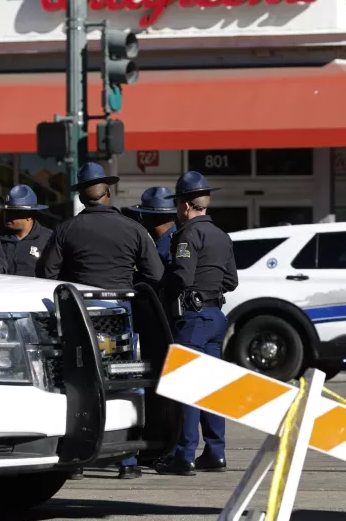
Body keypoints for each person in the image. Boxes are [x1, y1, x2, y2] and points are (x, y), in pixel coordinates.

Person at [37, 162, 164, 481]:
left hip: (81, 317)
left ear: (82, 196)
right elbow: (157, 275)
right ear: (108, 192)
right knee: (126, 380)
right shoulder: (133, 229)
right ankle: (127, 459)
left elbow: (45, 274)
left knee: (81, 382)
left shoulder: (66, 229)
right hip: (120, 316)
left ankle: (78, 459)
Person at [155, 172, 238, 476]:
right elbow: (231, 281)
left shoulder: (187, 234)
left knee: (189, 387)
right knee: (212, 388)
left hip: (193, 319)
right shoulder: (222, 235)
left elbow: (181, 277)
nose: (177, 209)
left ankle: (184, 456)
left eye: (177, 203)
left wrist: (164, 288)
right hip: (216, 316)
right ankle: (215, 452)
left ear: (187, 204)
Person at [0, 185, 53, 277]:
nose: (7, 216)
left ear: (29, 215)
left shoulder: (49, 240)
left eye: (13, 212)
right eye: (5, 211)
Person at [126, 187, 177, 268]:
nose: (141, 220)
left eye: (143, 215)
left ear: (153, 217)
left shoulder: (173, 244)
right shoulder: (162, 240)